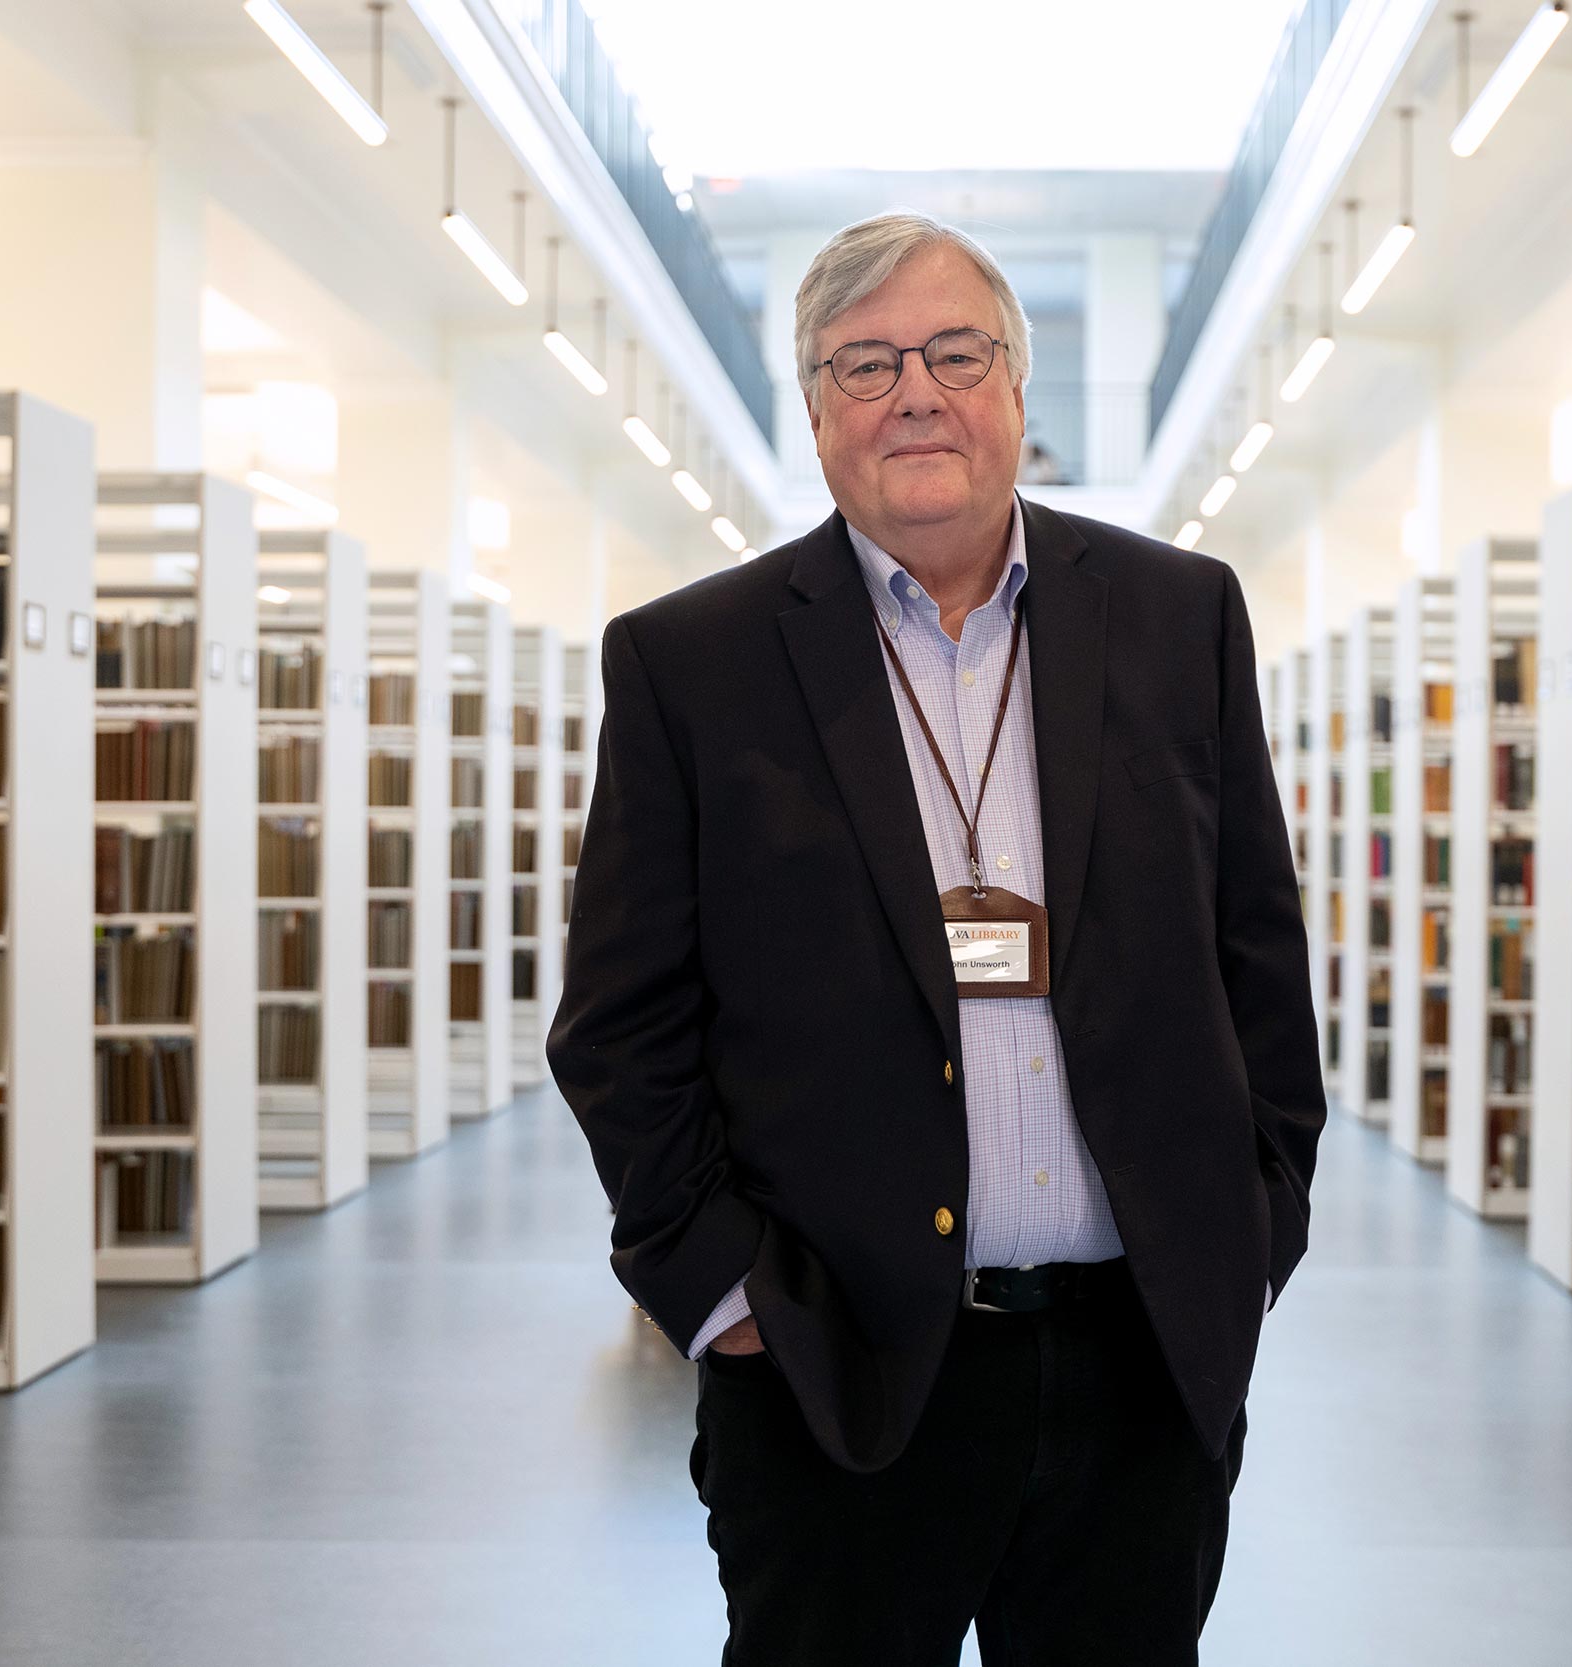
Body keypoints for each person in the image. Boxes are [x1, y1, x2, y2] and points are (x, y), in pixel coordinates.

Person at [548, 211, 1324, 1666]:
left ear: (1018, 389)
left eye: (955, 353)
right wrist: (724, 1299)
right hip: (833, 1373)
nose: (914, 390)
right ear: (819, 412)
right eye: (863, 363)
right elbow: (620, 1024)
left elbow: (1256, 961)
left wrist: (1249, 1238)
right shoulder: (691, 661)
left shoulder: (1177, 618)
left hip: (1139, 1365)